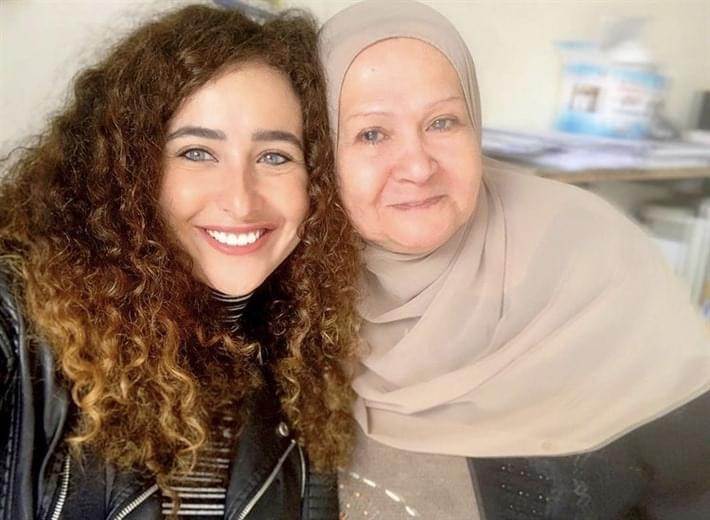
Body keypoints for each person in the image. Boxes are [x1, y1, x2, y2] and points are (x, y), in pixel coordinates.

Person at [318, 1, 710, 518]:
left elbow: (694, 483)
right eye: (372, 133)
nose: (417, 166)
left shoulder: (594, 254)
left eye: (443, 122)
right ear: (322, 150)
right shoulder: (296, 287)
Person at [0, 4, 360, 519]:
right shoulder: (20, 329)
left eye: (275, 156)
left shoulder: (302, 367)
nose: (241, 200)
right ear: (129, 171)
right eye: (196, 152)